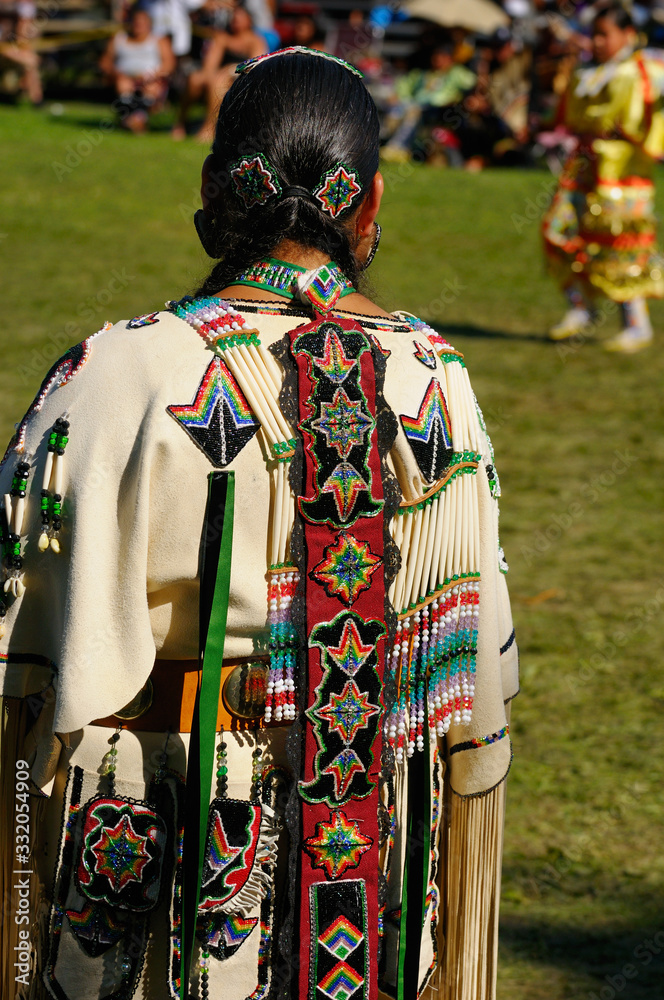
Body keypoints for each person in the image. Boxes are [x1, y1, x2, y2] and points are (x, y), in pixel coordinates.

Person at [0, 47, 518, 1000]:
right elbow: (477, 660)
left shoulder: (118, 372)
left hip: (148, 833)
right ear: (367, 209)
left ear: (214, 190)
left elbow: (19, 645)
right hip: (370, 854)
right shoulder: (436, 381)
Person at [542, 2, 664, 351]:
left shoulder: (646, 71)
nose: (595, 42)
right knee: (557, 230)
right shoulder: (584, 73)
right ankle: (581, 308)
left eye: (603, 35)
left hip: (622, 176)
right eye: (593, 34)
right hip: (581, 167)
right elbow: (564, 117)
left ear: (628, 35)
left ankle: (636, 325)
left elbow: (645, 122)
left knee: (622, 246)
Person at [172, 3, 266, 141]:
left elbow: (255, 68)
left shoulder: (255, 40)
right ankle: (180, 122)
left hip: (240, 80)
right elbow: (210, 65)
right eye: (233, 17)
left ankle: (209, 128)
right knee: (194, 79)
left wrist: (228, 70)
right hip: (218, 76)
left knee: (219, 80)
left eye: (240, 17)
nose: (235, 20)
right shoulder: (223, 37)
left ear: (249, 20)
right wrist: (213, 74)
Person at [100, 3, 176, 132]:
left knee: (151, 88)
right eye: (136, 22)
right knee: (123, 84)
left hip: (151, 79)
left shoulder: (159, 40)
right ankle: (131, 120)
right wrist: (116, 74)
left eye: (142, 23)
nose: (138, 26)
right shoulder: (119, 39)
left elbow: (169, 64)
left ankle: (136, 119)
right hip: (123, 78)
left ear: (149, 24)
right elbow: (104, 63)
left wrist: (151, 76)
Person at [0, 0, 42, 105]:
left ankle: (36, 99)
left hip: (8, 48)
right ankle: (37, 100)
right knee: (30, 61)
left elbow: (23, 34)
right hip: (5, 48)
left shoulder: (23, 6)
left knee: (30, 60)